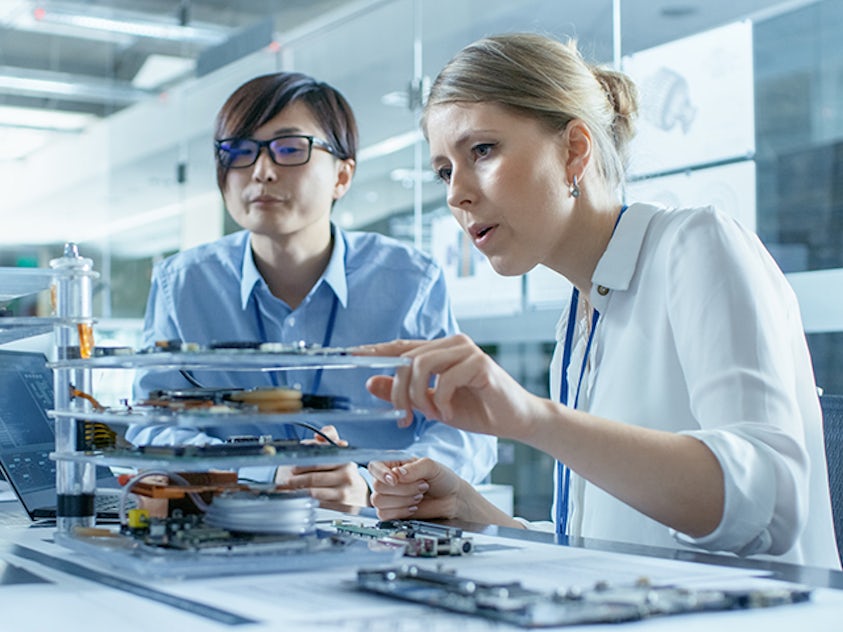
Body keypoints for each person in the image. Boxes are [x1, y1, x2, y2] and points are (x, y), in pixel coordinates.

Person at [360, 32, 841, 569]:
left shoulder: (697, 244)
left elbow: (770, 506)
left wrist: (533, 419)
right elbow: (604, 539)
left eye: (482, 150)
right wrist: (472, 510)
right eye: (445, 171)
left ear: (574, 150)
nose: (456, 194)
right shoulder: (580, 319)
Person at [126, 71, 496, 508]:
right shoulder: (183, 284)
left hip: (376, 537)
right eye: (239, 151)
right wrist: (259, 472)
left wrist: (379, 483)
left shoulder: (408, 279)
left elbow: (464, 426)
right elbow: (149, 428)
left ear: (342, 175)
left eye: (289, 149)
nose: (261, 171)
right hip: (231, 530)